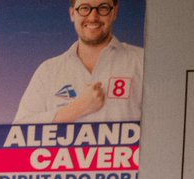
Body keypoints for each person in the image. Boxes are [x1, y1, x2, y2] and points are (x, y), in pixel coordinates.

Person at [14, 1, 144, 124]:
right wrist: (77, 109)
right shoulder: (48, 71)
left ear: (115, 12)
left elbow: (160, 123)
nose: (93, 17)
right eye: (84, 8)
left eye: (103, 8)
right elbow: (19, 131)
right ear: (72, 14)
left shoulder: (142, 61)